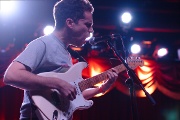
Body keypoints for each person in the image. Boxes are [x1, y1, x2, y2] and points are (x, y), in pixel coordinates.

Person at [3, 0, 118, 119]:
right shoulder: (43, 44)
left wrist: (101, 88)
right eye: (87, 25)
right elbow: (11, 75)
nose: (91, 30)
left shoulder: (66, 54)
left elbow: (73, 92)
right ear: (70, 23)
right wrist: (58, 83)